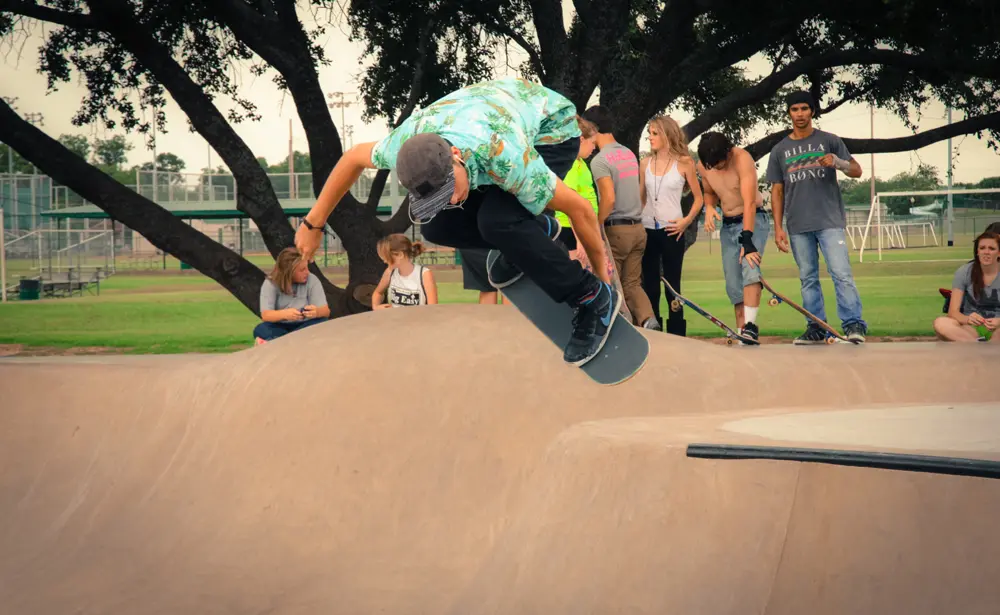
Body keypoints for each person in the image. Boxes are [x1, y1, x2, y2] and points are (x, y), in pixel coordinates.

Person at [294, 77, 619, 366]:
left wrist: (599, 269)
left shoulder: (505, 157)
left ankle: (591, 298)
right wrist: (314, 223)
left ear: (456, 157)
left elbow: (580, 209)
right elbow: (351, 158)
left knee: (497, 221)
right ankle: (538, 231)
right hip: (487, 113)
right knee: (437, 225)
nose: (451, 200)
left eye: (450, 190)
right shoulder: (401, 148)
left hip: (551, 130)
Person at [766, 91, 867, 344]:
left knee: (841, 273)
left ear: (812, 111)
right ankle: (816, 327)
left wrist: (837, 162)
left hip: (829, 221)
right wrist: (778, 228)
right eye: (794, 109)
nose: (799, 114)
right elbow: (777, 191)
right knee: (808, 278)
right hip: (798, 224)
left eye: (804, 109)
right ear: (789, 113)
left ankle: (854, 325)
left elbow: (856, 170)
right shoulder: (779, 150)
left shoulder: (829, 140)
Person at [582, 105, 658, 330]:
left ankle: (620, 330)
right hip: (638, 229)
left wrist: (596, 223)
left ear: (593, 129)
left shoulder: (600, 161)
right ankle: (648, 320)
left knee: (611, 283)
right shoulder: (628, 153)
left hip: (616, 230)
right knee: (633, 283)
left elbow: (608, 198)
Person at [696, 131, 769, 343]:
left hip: (752, 219)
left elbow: (749, 203)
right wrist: (709, 207)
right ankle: (742, 333)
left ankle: (751, 325)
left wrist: (748, 240)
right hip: (728, 225)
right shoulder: (704, 165)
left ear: (728, 152)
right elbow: (709, 192)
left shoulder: (741, 159)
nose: (717, 167)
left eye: (720, 162)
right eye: (713, 165)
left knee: (750, 265)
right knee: (733, 280)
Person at [638, 114, 705, 335]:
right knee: (650, 285)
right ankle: (654, 332)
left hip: (672, 230)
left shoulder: (685, 163)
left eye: (654, 133)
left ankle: (678, 333)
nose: (650, 137)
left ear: (668, 135)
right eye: (649, 133)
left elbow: (699, 199)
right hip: (647, 230)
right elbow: (641, 198)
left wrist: (685, 221)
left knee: (672, 285)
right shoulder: (645, 163)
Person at [253, 247, 330, 344]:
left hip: (305, 324)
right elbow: (266, 315)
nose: (307, 272)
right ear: (288, 272)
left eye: (307, 268)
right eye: (302, 270)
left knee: (322, 321)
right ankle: (295, 339)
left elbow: (326, 311)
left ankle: (279, 341)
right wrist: (285, 314)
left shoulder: (312, 280)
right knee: (261, 329)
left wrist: (316, 312)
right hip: (280, 326)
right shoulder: (270, 284)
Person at [933, 230, 1000, 342]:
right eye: (982, 248)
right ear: (977, 251)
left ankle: (983, 348)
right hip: (971, 328)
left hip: (998, 327)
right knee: (941, 323)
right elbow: (953, 312)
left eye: (991, 249)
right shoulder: (965, 271)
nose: (986, 252)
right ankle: (977, 345)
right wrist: (967, 319)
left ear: (999, 253)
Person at [372, 233, 438, 309]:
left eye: (386, 257)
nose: (385, 261)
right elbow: (377, 293)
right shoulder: (390, 272)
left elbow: (433, 309)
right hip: (394, 320)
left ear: (400, 255)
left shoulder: (424, 274)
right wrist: (376, 307)